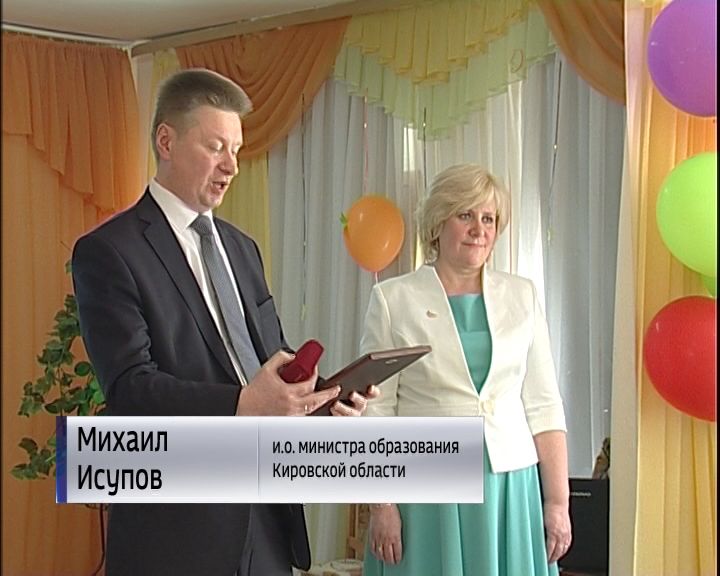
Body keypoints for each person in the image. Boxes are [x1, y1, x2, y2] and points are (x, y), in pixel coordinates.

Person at [72, 68, 377, 576]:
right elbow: (130, 388)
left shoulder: (242, 248)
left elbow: (274, 364)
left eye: (236, 149)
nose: (231, 166)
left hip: (268, 515)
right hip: (178, 532)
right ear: (166, 141)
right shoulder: (108, 252)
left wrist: (325, 400)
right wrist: (242, 404)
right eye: (216, 147)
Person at [360, 164, 571, 576]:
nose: (479, 229)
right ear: (438, 223)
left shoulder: (522, 295)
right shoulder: (393, 299)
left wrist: (557, 502)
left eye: (488, 218)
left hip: (509, 487)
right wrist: (381, 504)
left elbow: (544, 406)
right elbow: (376, 411)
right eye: (465, 215)